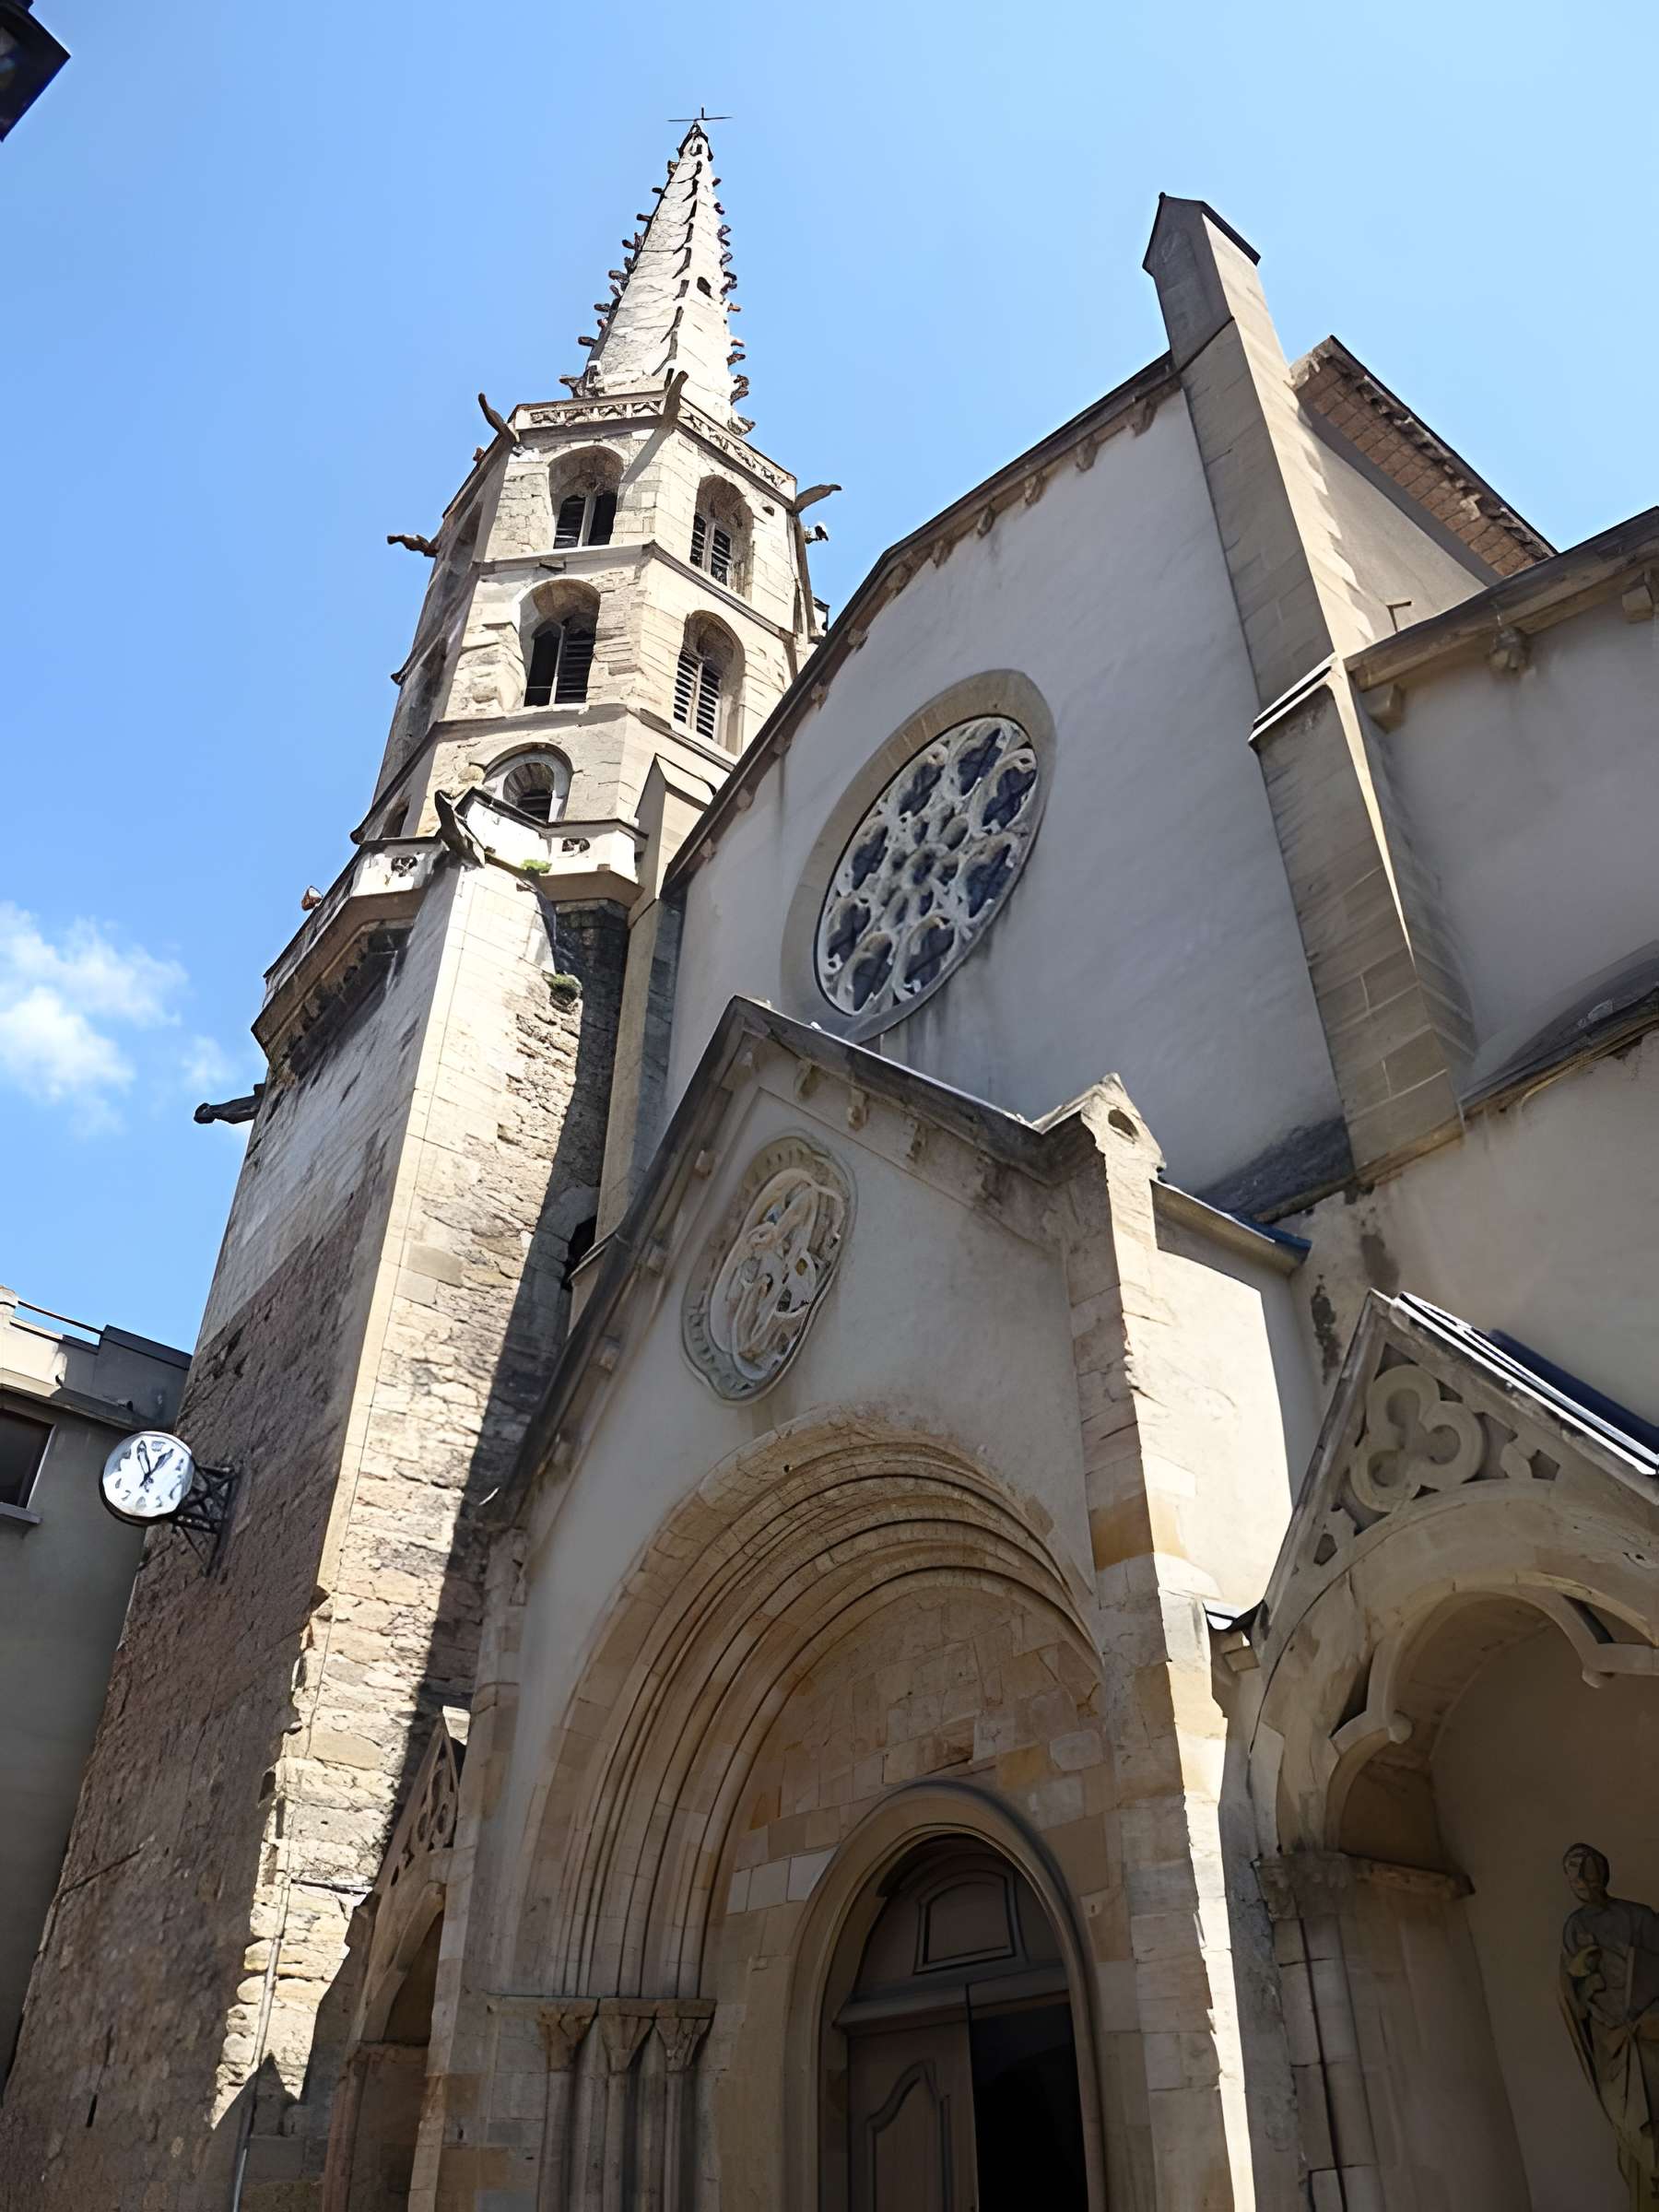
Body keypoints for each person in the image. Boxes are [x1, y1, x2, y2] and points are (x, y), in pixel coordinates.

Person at [1559, 1842, 1659, 2209]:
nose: (1584, 1882)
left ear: (1603, 1873)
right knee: (1627, 2125)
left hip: (1649, 2036)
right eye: (1575, 1876)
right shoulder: (1575, 1927)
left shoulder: (1640, 1918)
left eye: (1590, 1873)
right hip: (1611, 2042)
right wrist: (1578, 1975)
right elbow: (1572, 1995)